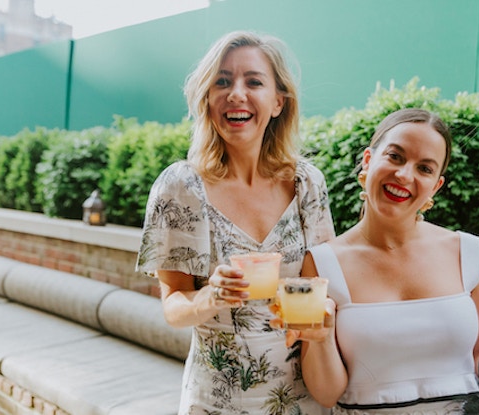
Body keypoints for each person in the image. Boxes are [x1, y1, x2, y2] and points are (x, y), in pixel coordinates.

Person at [291, 108, 479, 414]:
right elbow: (325, 394)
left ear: (436, 186)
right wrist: (319, 338)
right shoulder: (320, 264)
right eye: (395, 156)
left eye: (424, 168)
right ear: (367, 161)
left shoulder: (468, 252)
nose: (404, 175)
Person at [135, 30, 334, 415]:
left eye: (253, 81)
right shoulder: (181, 187)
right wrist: (211, 295)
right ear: (208, 99)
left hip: (302, 399)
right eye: (222, 82)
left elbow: (316, 290)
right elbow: (174, 305)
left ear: (278, 102)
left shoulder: (307, 184)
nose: (236, 93)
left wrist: (322, 315)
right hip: (217, 402)